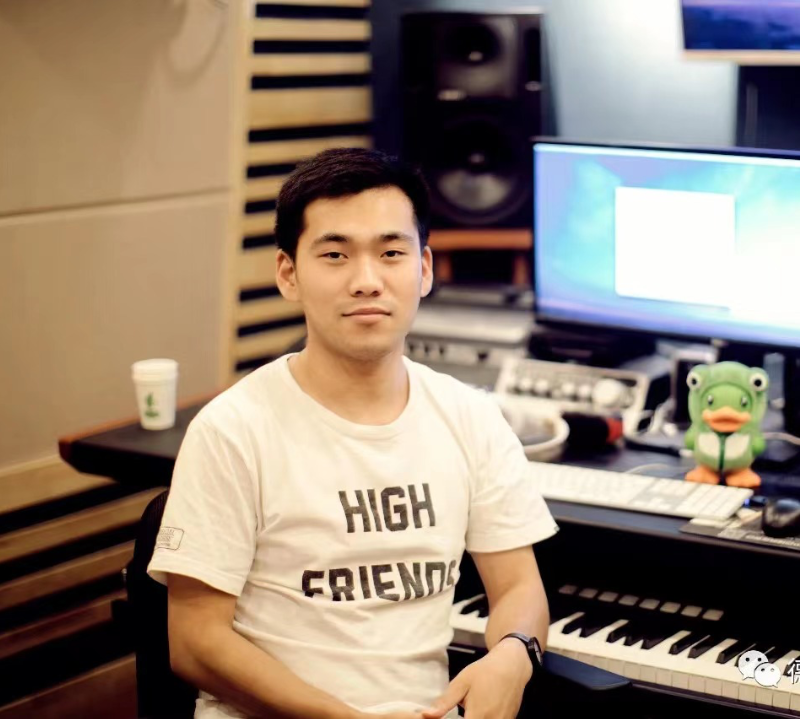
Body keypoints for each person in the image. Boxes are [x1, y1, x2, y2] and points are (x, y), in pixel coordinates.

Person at [147, 148, 558, 718]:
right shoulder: (233, 429)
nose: (367, 281)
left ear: (424, 269)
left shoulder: (470, 417)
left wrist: (514, 653)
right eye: (335, 255)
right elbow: (195, 642)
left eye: (391, 253)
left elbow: (518, 589)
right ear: (288, 274)